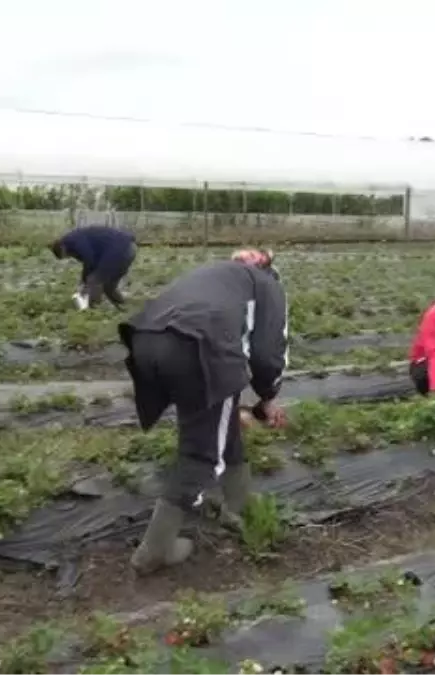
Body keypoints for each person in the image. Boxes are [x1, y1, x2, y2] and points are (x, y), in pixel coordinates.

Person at [119, 248, 289, 575]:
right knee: (201, 453)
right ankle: (155, 550)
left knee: (217, 422)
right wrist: (268, 397)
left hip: (146, 339)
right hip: (201, 348)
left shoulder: (216, 274)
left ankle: (238, 507)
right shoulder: (269, 287)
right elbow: (268, 354)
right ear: (272, 272)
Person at [48, 225, 138, 310]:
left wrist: (84, 281)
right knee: (108, 286)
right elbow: (92, 262)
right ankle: (124, 307)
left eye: (66, 255)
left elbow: (89, 259)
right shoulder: (72, 244)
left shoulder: (74, 240)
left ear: (62, 248)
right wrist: (84, 281)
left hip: (120, 248)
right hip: (129, 248)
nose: (68, 257)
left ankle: (93, 310)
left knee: (94, 280)